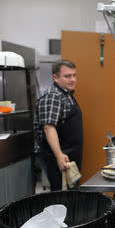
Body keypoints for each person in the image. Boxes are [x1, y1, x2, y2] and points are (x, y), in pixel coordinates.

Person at [34, 60, 83, 191]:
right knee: (61, 197)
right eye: (67, 76)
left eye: (74, 75)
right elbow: (48, 127)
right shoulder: (53, 96)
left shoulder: (66, 94)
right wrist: (59, 155)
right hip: (58, 157)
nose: (72, 79)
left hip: (69, 155)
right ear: (55, 77)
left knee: (70, 197)